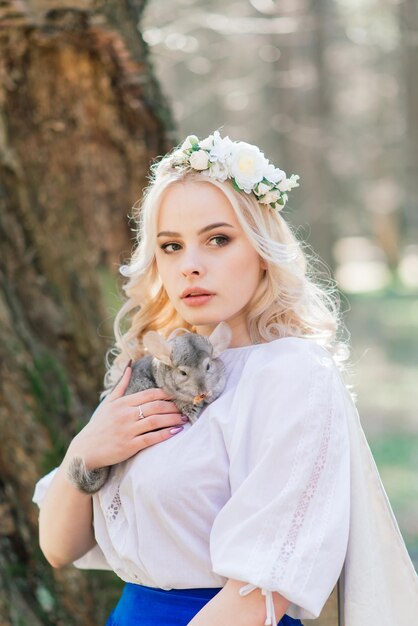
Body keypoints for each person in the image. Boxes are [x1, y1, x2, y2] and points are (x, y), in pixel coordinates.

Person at [33, 130, 418, 626]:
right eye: (171, 246)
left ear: (261, 249)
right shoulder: (151, 371)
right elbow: (58, 548)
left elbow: (265, 584)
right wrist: (84, 451)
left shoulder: (292, 373)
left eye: (218, 239)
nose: (190, 266)